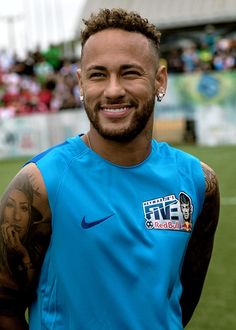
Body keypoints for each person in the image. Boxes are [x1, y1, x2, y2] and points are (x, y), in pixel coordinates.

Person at [0, 8, 220, 330]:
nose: (113, 90)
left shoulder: (199, 183)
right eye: (98, 74)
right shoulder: (39, 185)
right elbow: (5, 308)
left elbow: (181, 299)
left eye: (129, 73)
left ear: (159, 80)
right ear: (80, 82)